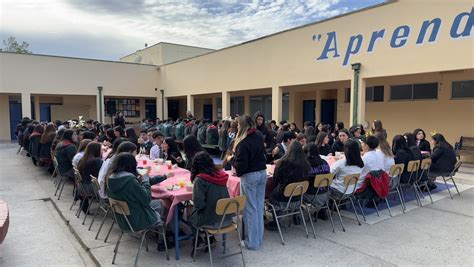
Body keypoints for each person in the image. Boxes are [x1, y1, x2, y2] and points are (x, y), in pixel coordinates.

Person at [231, 115, 267, 250]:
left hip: (250, 176)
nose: (238, 127)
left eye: (239, 125)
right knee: (258, 207)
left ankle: (252, 242)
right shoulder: (258, 135)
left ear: (242, 126)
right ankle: (258, 239)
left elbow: (241, 166)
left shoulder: (242, 142)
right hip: (262, 173)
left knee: (250, 209)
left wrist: (231, 160)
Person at [106, 153, 166, 232]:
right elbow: (147, 199)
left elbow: (139, 184)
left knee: (157, 203)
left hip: (123, 220)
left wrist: (164, 177)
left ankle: (157, 232)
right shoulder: (130, 181)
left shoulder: (111, 178)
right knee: (161, 202)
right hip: (137, 221)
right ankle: (162, 237)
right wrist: (145, 178)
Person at [265, 141, 310, 230]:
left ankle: (276, 222)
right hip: (298, 197)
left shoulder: (283, 163)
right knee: (291, 189)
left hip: (282, 196)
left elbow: (275, 179)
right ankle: (296, 216)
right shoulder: (306, 164)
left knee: (272, 193)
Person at [189, 152, 231, 241]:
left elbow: (199, 205)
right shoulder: (220, 175)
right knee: (209, 209)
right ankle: (210, 238)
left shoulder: (200, 180)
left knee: (189, 216)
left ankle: (198, 240)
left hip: (212, 222)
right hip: (227, 219)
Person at [303, 143, 331, 219]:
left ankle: (295, 215)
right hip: (325, 194)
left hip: (310, 196)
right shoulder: (325, 162)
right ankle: (322, 211)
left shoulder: (305, 165)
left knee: (296, 190)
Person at [77, 142, 103, 213]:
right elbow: (103, 173)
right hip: (91, 188)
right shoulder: (97, 161)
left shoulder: (83, 159)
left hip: (82, 187)